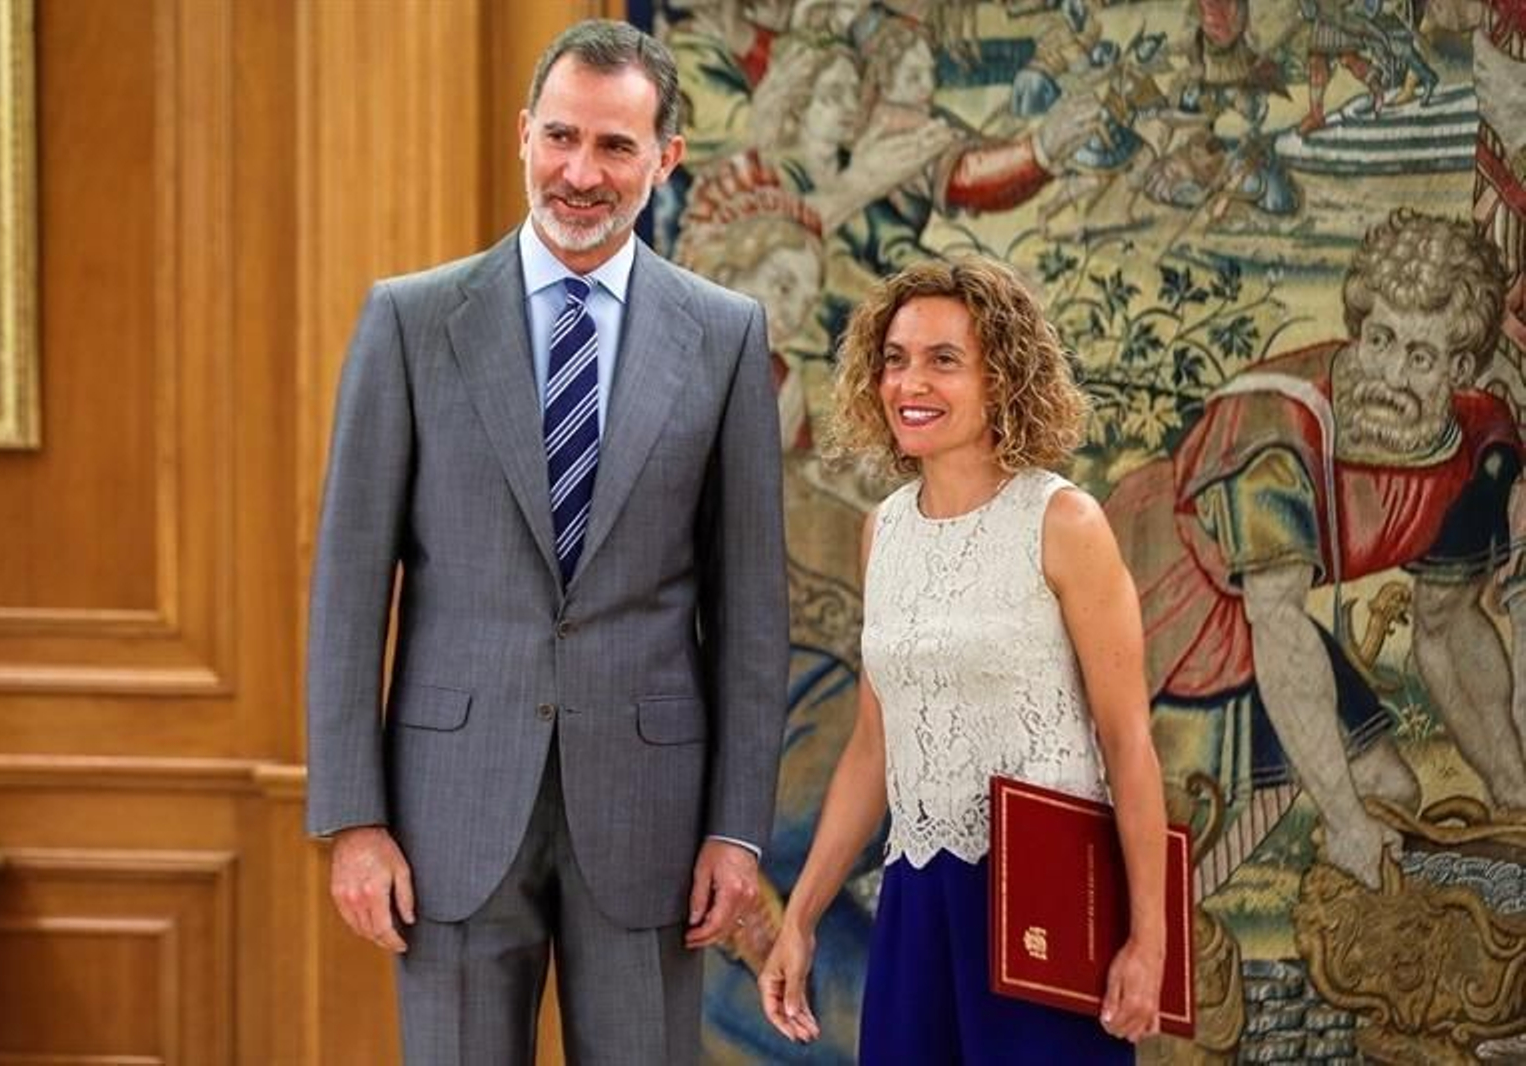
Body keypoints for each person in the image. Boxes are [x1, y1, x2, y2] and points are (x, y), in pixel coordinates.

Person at [304, 19, 790, 1065]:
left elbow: (751, 609)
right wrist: (353, 819)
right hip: (447, 812)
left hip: (653, 820)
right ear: (525, 134)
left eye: (615, 146)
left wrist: (735, 828)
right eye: (562, 137)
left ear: (666, 158)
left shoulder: (724, 335)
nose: (580, 173)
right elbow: (348, 590)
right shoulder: (410, 322)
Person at [757, 257, 1169, 1060]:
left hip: (1044, 899)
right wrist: (798, 919)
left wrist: (1147, 940)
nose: (910, 383)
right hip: (916, 896)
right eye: (895, 359)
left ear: (1003, 378)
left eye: (944, 360)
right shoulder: (883, 531)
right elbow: (873, 748)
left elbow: (1128, 743)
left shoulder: (1065, 523)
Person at [1105, 209, 1525, 891]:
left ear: (1459, 369)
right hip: (1171, 598)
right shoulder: (1276, 428)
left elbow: (1448, 629)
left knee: (1392, 791)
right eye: (1379, 339)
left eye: (1419, 357)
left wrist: (1513, 791)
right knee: (1169, 847)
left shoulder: (1475, 445)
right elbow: (1275, 624)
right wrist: (1345, 822)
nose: (1390, 374)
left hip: (1264, 608)